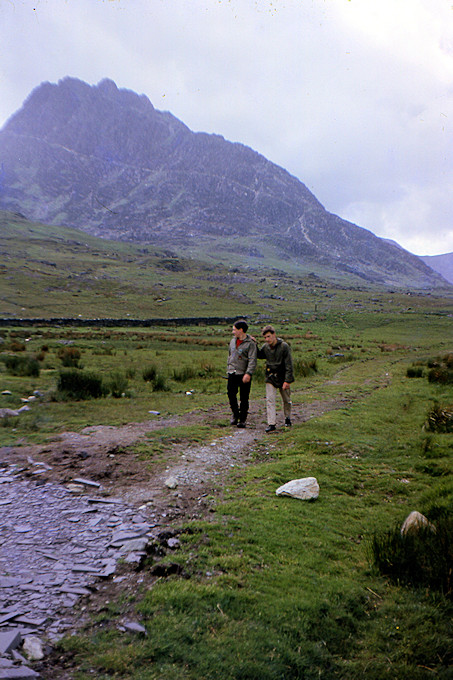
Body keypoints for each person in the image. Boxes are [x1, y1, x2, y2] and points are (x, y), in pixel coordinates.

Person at [257, 324, 294, 432]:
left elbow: (289, 364)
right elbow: (259, 355)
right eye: (265, 337)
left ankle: (287, 418)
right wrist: (253, 343)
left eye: (268, 336)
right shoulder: (265, 347)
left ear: (274, 335)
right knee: (270, 400)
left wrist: (287, 380)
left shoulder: (284, 346)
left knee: (286, 399)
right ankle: (271, 423)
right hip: (270, 376)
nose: (267, 339)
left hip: (283, 376)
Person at [227, 319, 257, 428]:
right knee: (231, 394)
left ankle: (242, 419)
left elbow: (252, 360)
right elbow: (230, 355)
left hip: (243, 374)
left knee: (244, 397)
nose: (233, 332)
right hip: (232, 372)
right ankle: (235, 414)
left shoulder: (251, 343)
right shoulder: (232, 341)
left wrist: (248, 373)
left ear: (241, 330)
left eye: (234, 330)